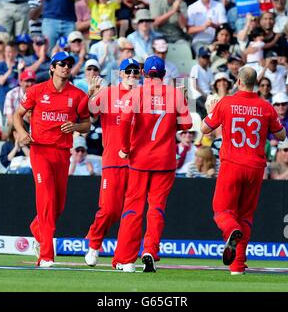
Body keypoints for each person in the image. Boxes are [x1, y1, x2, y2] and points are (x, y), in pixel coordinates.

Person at [201, 66, 286, 275]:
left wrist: (211, 110)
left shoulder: (227, 103)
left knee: (222, 211)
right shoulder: (266, 107)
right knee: (246, 215)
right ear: (255, 83)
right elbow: (282, 136)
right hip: (255, 167)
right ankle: (237, 266)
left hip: (232, 164)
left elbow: (204, 129)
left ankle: (232, 231)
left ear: (238, 81)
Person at [112, 55, 192, 273]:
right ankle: (150, 250)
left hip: (139, 159)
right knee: (156, 207)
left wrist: (125, 148)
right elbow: (187, 124)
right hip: (165, 160)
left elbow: (124, 120)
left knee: (133, 208)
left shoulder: (136, 93)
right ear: (164, 73)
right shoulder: (175, 94)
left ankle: (126, 260)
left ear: (145, 73)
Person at [13, 51, 91, 267]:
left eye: (69, 64)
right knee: (46, 201)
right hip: (40, 151)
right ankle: (46, 255)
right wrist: (21, 133)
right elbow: (17, 115)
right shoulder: (37, 90)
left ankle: (37, 230)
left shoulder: (77, 95)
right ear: (52, 68)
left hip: (62, 153)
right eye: (61, 64)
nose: (66, 67)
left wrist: (75, 126)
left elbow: (87, 124)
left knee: (58, 207)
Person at [84, 57, 141, 268]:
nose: (132, 75)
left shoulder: (144, 96)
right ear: (120, 73)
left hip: (137, 163)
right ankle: (94, 244)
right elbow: (89, 117)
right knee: (109, 209)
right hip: (113, 160)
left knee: (131, 214)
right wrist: (90, 94)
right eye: (128, 71)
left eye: (136, 71)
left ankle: (122, 258)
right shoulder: (108, 93)